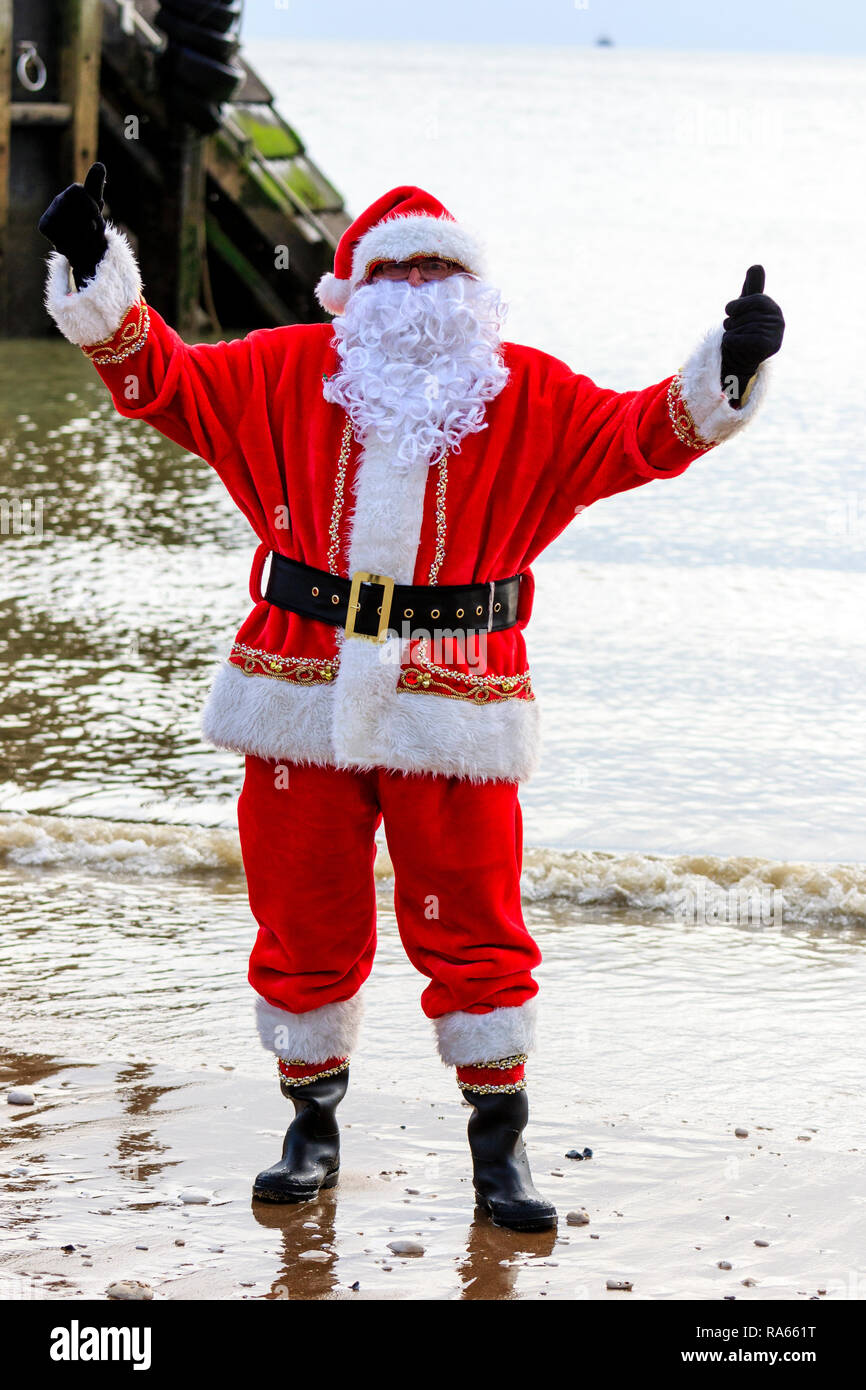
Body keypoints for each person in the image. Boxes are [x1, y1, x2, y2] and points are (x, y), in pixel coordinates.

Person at [38, 165, 784, 1232]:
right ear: (354, 288)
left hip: (457, 710)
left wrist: (732, 363)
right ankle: (311, 1130)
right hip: (297, 692)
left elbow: (643, 436)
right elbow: (157, 376)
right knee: (300, 916)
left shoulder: (525, 391)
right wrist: (100, 259)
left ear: (473, 289)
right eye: (399, 270)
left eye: (442, 268)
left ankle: (497, 1156)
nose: (421, 286)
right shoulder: (281, 372)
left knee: (476, 927)